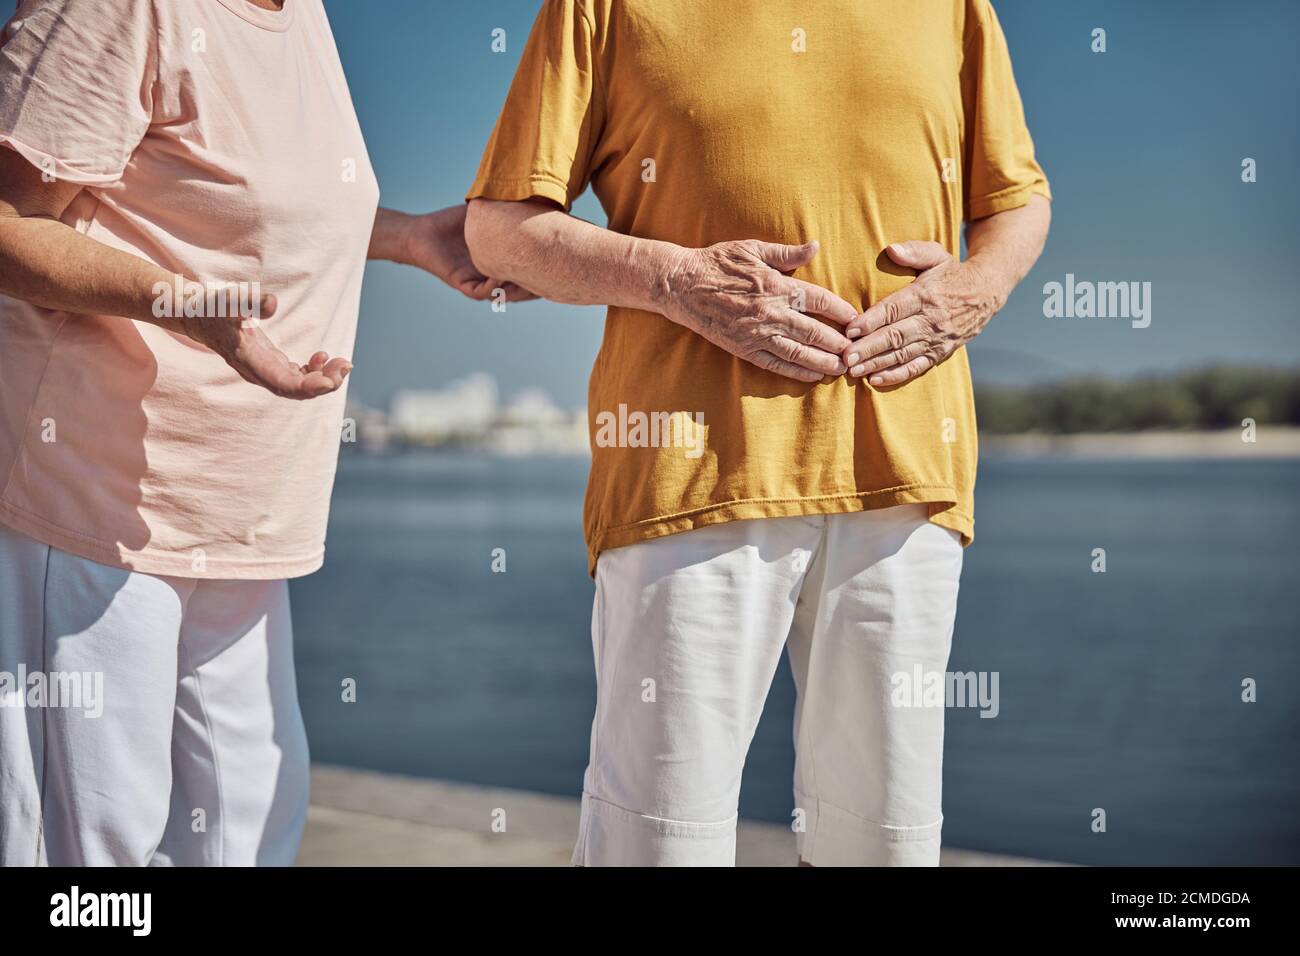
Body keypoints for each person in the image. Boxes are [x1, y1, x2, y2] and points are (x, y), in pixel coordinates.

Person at [465, 0, 1051, 866]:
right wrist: (675, 278)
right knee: (661, 843)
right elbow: (498, 228)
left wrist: (977, 288)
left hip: (908, 473)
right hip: (688, 474)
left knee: (885, 846)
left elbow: (1016, 199)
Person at [0, 0, 523, 866]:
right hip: (97, 502)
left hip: (249, 516)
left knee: (249, 832)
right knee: (91, 852)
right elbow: (10, 224)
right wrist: (186, 308)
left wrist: (411, 239)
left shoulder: (301, 14)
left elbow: (247, 208)